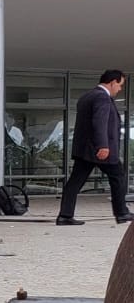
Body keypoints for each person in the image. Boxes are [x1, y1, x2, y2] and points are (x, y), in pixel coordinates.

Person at [58, 69, 131, 225]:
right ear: (113, 82)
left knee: (75, 182)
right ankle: (122, 213)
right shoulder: (102, 97)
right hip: (99, 149)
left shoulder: (86, 96)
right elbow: (99, 122)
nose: (120, 89)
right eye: (120, 85)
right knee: (118, 176)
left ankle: (65, 215)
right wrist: (103, 146)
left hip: (84, 149)